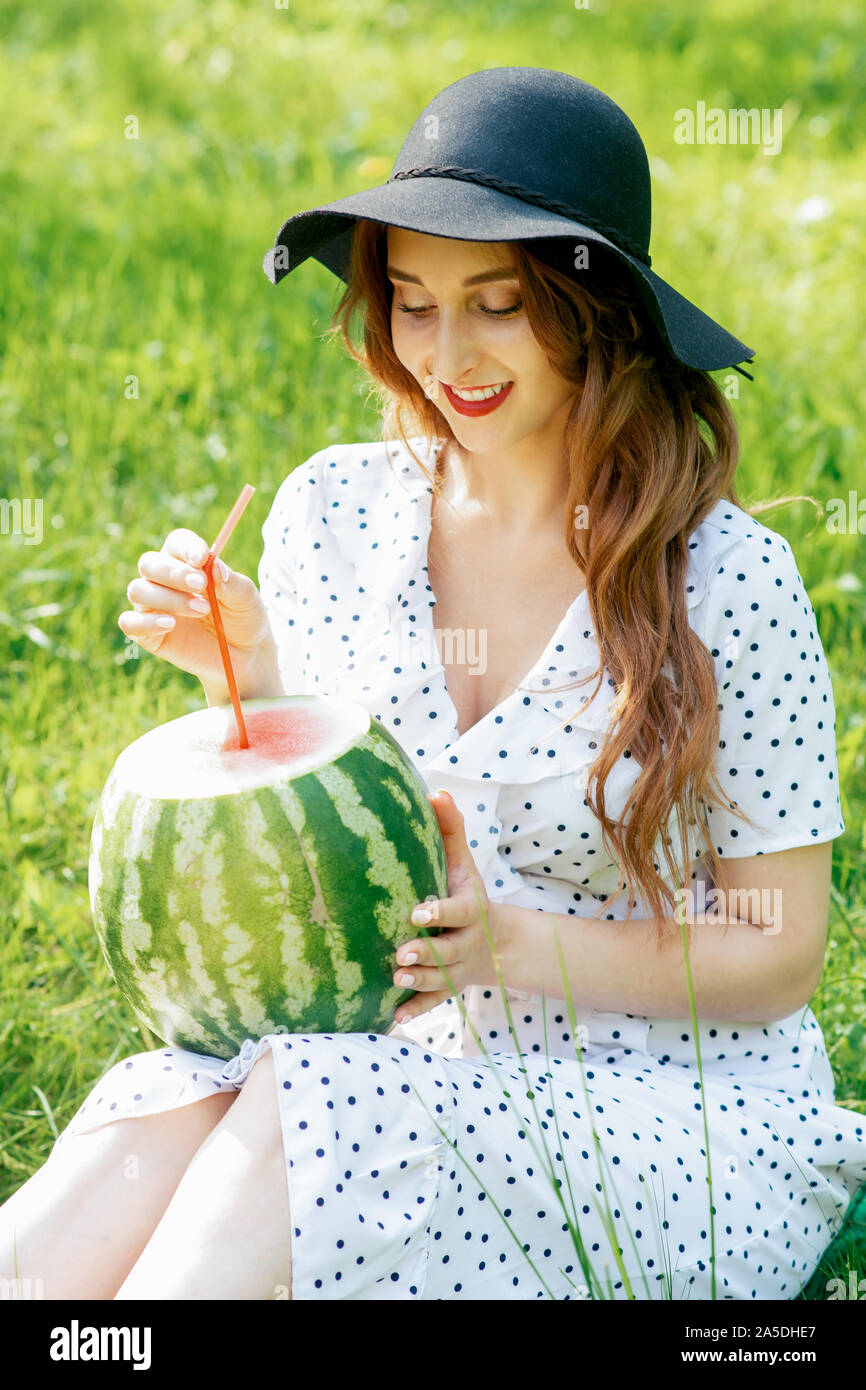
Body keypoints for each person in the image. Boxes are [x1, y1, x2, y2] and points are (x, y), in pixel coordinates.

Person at [1, 67, 863, 1302]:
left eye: (497, 304)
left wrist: (513, 948)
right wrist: (250, 681)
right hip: (403, 1053)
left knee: (312, 1105)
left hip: (681, 1114)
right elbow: (331, 855)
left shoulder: (727, 580)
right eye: (409, 302)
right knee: (161, 1104)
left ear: (597, 306)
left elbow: (777, 954)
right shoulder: (334, 512)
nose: (445, 354)